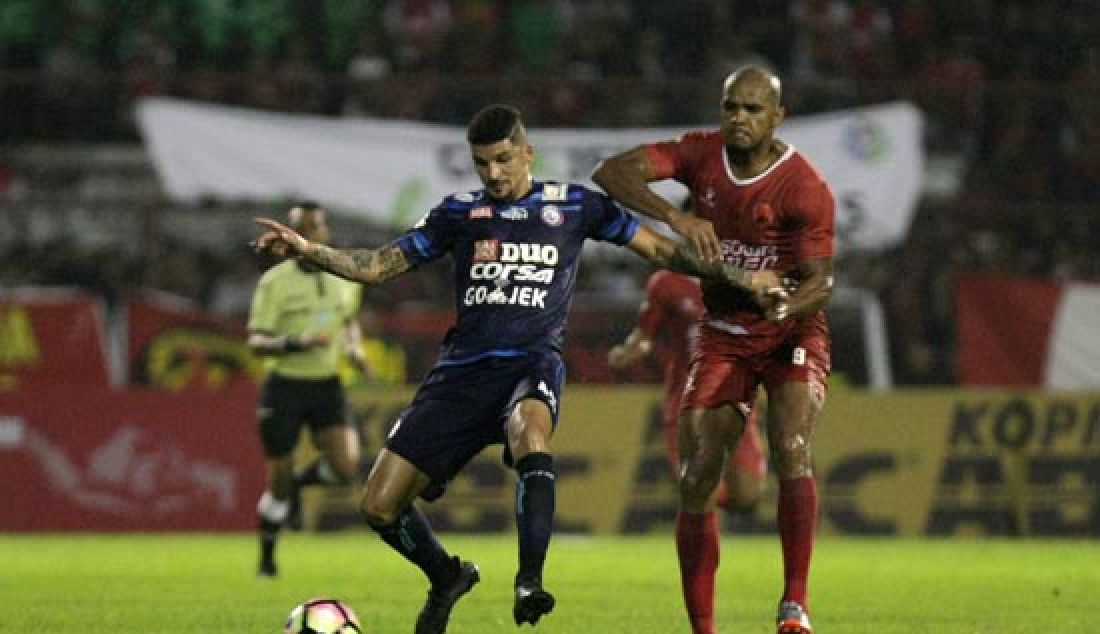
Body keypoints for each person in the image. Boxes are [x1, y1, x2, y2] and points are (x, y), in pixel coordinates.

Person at [252, 104, 785, 634]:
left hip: (531, 362)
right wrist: (309, 249)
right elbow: (378, 266)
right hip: (460, 374)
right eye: (482, 164)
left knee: (531, 432)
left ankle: (529, 580)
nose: (494, 174)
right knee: (379, 506)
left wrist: (740, 277)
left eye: (504, 160)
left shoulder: (576, 206)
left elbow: (664, 252)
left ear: (527, 152)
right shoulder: (457, 213)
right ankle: (446, 577)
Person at [592, 66, 835, 634]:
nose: (739, 119)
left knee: (792, 444)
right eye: (731, 107)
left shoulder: (804, 186)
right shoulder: (701, 155)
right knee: (698, 474)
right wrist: (675, 215)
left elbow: (821, 283)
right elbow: (611, 172)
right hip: (724, 331)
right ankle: (703, 628)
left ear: (778, 117)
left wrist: (786, 306)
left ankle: (794, 607)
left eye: (753, 109)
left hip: (790, 331)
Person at [247, 202, 368, 577]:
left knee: (346, 467)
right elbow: (255, 341)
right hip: (285, 386)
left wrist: (353, 347)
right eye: (303, 227)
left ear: (326, 231)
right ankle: (267, 557)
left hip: (327, 384)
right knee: (278, 483)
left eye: (316, 226)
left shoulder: (344, 277)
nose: (311, 233)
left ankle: (302, 482)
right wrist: (297, 343)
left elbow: (349, 320)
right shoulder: (274, 282)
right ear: (291, 233)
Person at [607, 269, 767, 515]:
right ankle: (700, 538)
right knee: (700, 492)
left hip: (736, 397)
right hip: (687, 398)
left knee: (747, 495)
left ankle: (702, 504)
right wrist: (630, 350)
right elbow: (645, 333)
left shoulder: (750, 277)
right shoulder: (669, 282)